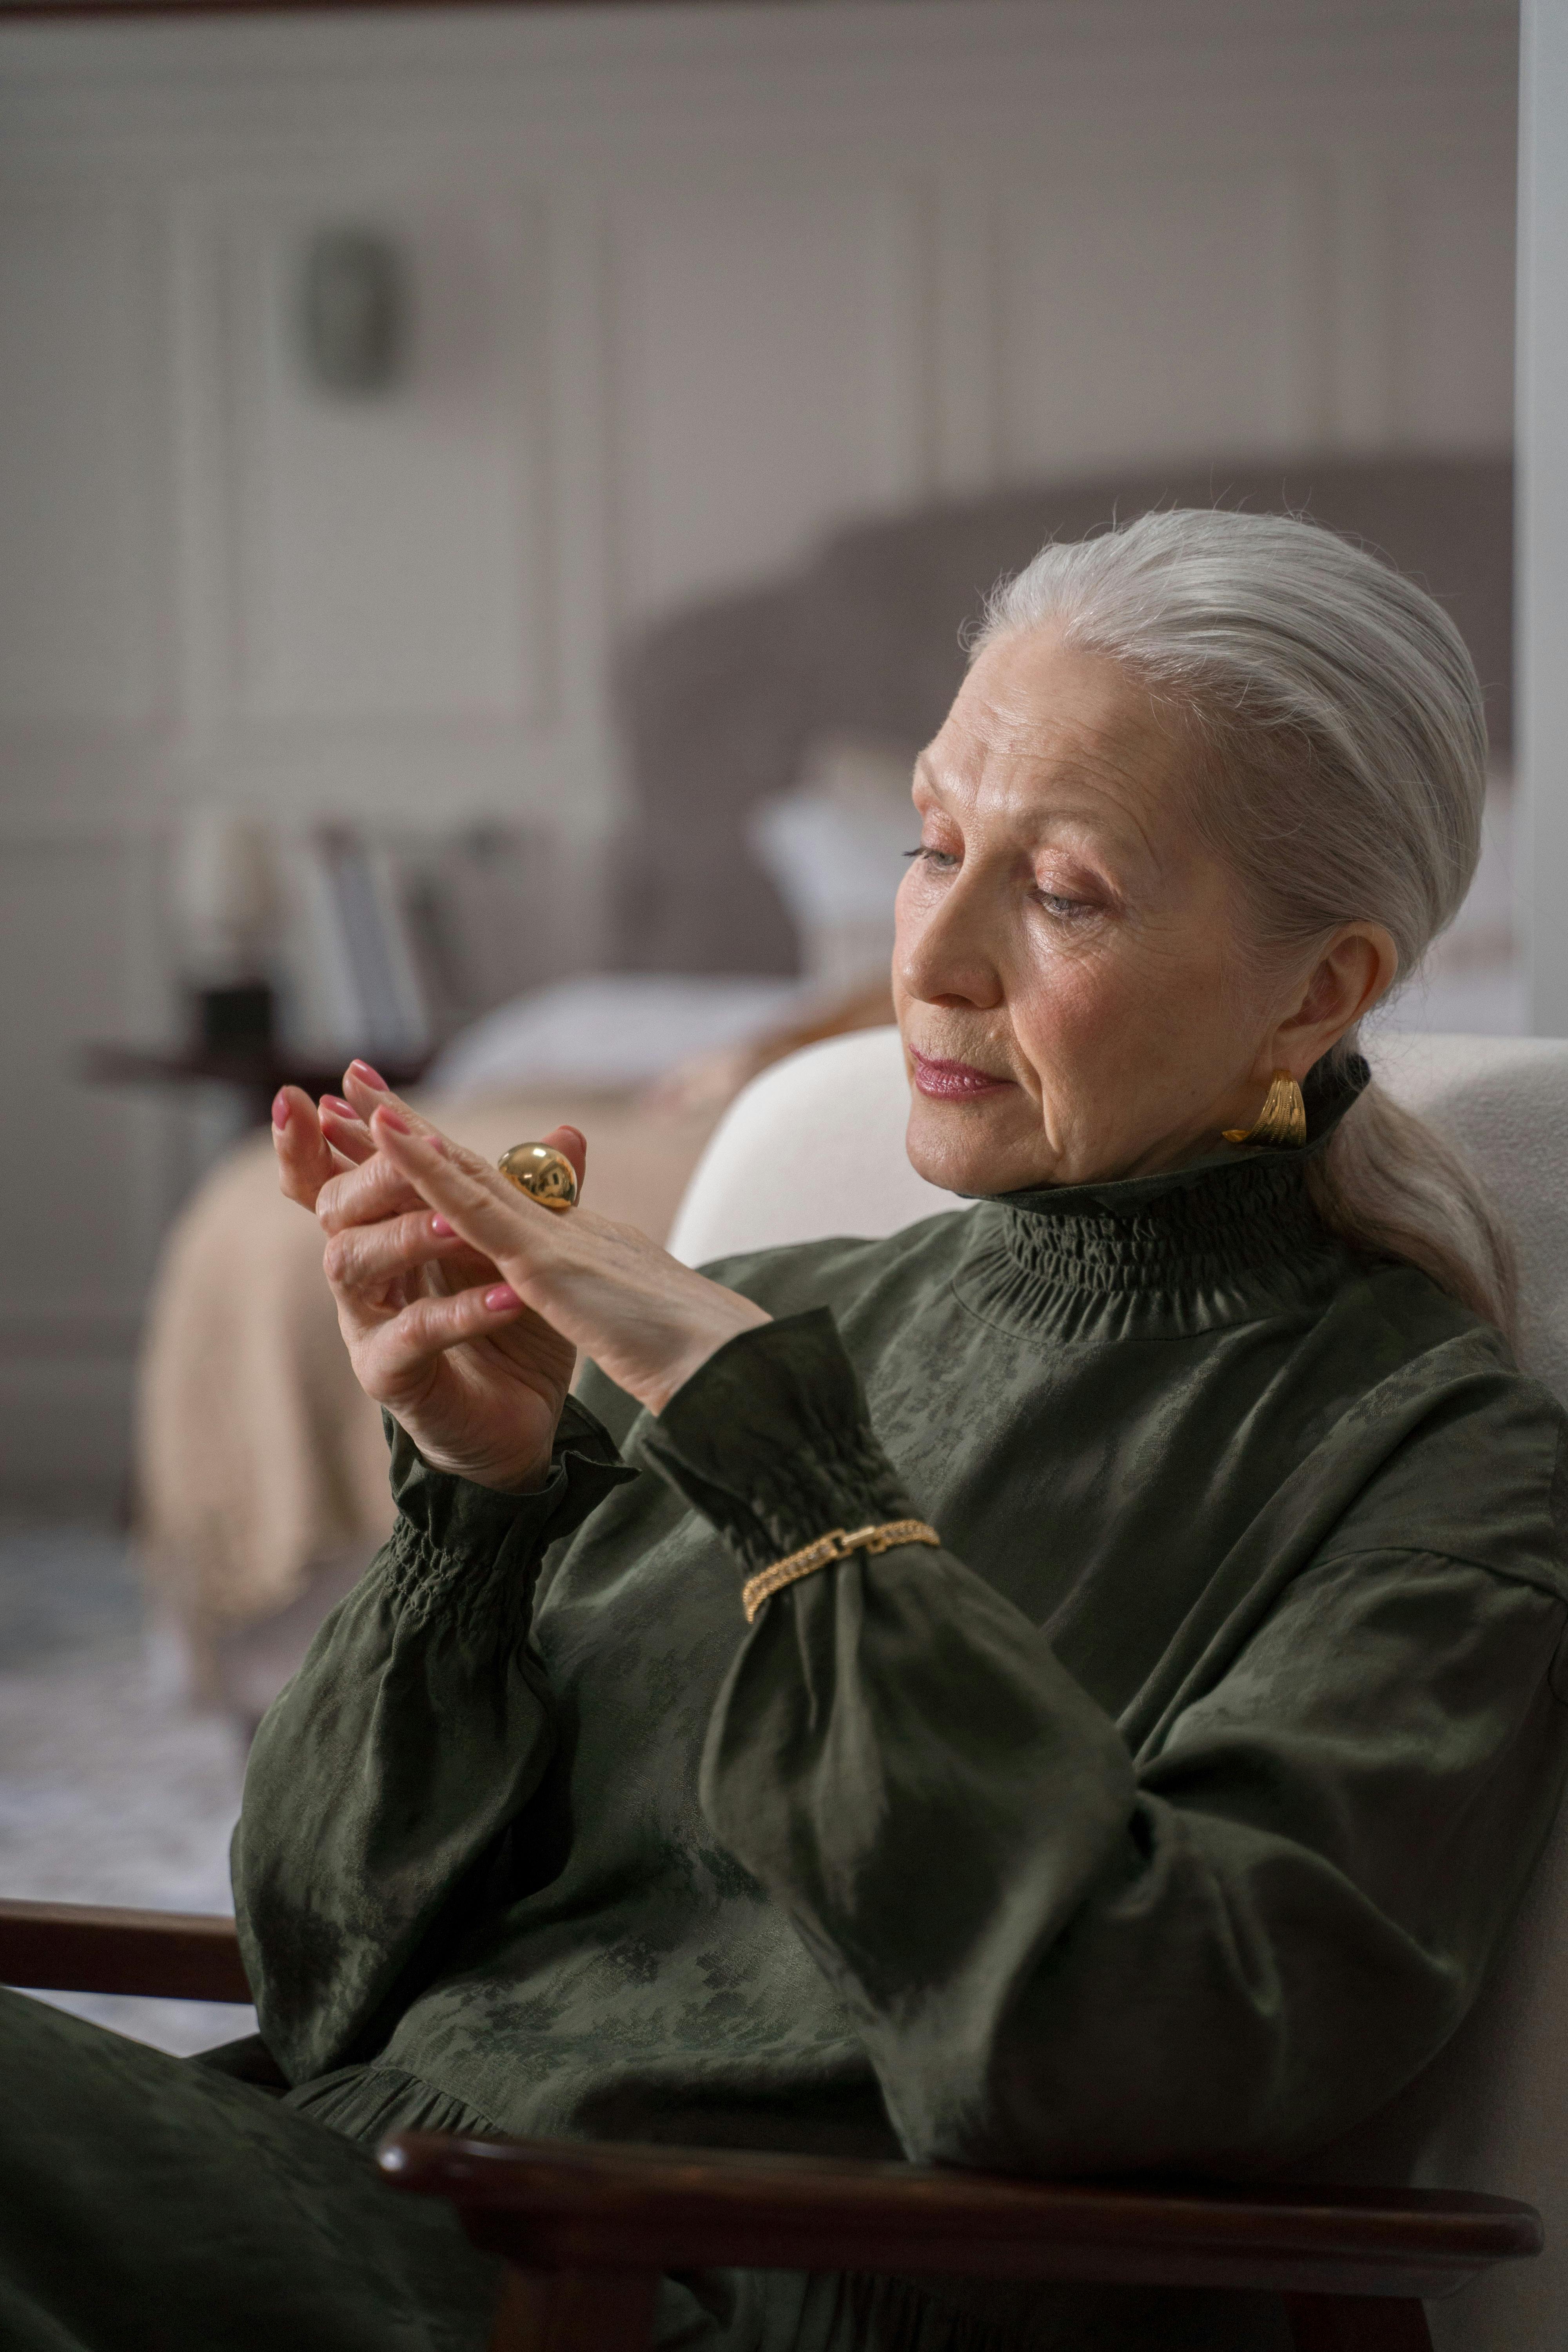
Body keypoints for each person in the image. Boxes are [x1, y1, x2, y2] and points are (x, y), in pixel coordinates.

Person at [5, 508, 1565, 2352]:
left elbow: (1136, 2048)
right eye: (930, 846)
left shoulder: (1429, 1467)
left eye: (1060, 893)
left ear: (1317, 992)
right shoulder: (792, 1307)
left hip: (635, 2301)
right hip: (341, 2211)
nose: (933, 959)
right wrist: (479, 1503)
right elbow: (331, 1968)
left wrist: (788, 1469)